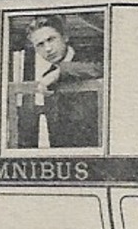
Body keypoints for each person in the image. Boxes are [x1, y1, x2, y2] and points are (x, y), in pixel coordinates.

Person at [15, 14, 102, 148]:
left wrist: (60, 72)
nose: (48, 49)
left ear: (65, 37)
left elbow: (100, 68)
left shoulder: (91, 56)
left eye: (51, 39)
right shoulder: (48, 76)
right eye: (40, 45)